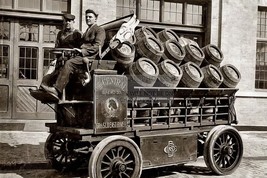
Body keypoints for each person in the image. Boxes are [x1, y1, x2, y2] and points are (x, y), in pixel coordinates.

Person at [41, 9, 106, 100]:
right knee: (57, 66)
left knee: (69, 63)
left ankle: (57, 89)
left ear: (96, 19)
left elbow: (97, 46)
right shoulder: (87, 31)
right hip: (81, 56)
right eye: (86, 17)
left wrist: (81, 51)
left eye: (90, 17)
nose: (88, 18)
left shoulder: (99, 30)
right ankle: (45, 88)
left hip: (89, 57)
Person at [41, 13, 82, 87]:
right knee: (49, 70)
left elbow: (81, 49)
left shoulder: (78, 34)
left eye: (69, 21)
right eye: (66, 21)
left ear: (73, 22)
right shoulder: (60, 34)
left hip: (71, 60)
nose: (67, 23)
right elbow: (57, 46)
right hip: (60, 59)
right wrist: (55, 59)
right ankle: (42, 87)